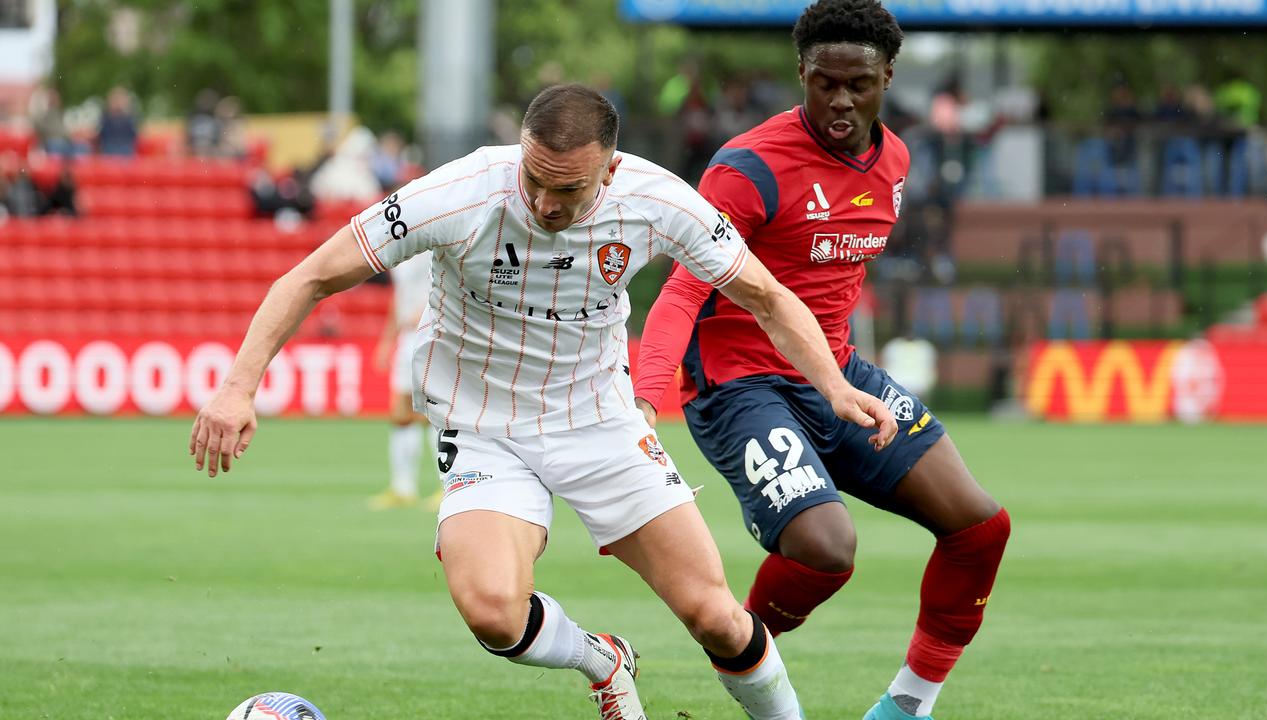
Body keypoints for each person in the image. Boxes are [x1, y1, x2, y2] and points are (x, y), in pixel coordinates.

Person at [188, 84, 898, 720]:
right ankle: (603, 663)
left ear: (611, 170)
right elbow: (309, 277)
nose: (545, 204)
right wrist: (236, 387)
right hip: (480, 424)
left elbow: (769, 296)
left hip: (599, 421)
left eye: (569, 191)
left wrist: (833, 388)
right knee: (494, 613)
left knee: (715, 616)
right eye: (535, 181)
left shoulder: (658, 199)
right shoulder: (461, 192)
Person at [633, 3, 1011, 719]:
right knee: (827, 548)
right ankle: (741, 649)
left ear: (889, 77)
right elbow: (682, 291)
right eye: (824, 83)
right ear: (800, 74)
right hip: (740, 385)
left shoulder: (895, 160)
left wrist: (835, 377)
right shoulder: (746, 170)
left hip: (836, 375)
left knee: (980, 528)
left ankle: (906, 707)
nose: (840, 101)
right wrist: (647, 403)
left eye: (858, 85)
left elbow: (828, 285)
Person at [368, 248, 442, 511]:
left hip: (429, 333)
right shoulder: (401, 254)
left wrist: (425, 311)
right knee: (401, 412)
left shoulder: (429, 248)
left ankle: (446, 486)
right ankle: (403, 487)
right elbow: (399, 299)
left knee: (431, 412)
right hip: (406, 337)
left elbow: (446, 282)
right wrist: (388, 340)